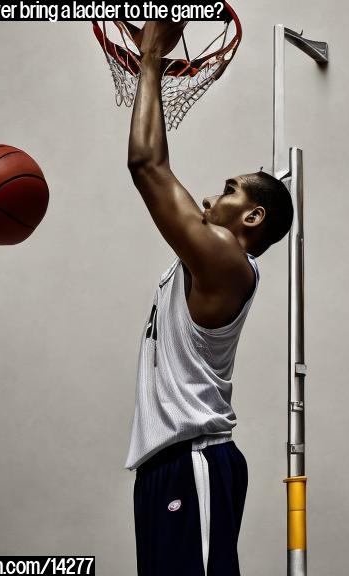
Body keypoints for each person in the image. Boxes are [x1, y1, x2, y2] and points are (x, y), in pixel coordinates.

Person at [123, 21, 293, 576]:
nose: (207, 195)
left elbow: (148, 166)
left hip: (193, 460)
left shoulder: (227, 261)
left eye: (228, 190)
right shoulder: (208, 261)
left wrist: (151, 58)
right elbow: (161, 174)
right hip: (165, 467)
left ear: (251, 217)